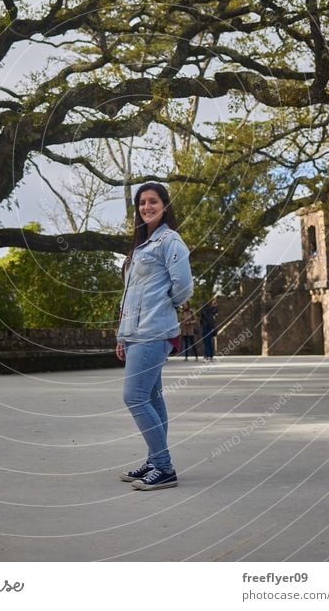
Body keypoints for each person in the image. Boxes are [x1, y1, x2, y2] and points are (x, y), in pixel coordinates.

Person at [116, 182, 194, 490]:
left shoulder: (170, 241)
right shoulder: (139, 246)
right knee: (150, 396)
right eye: (141, 203)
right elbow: (128, 296)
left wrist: (164, 306)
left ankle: (164, 467)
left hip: (154, 331)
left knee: (133, 396)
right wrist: (122, 335)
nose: (146, 207)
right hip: (135, 333)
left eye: (152, 201)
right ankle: (154, 460)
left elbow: (184, 286)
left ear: (164, 205)